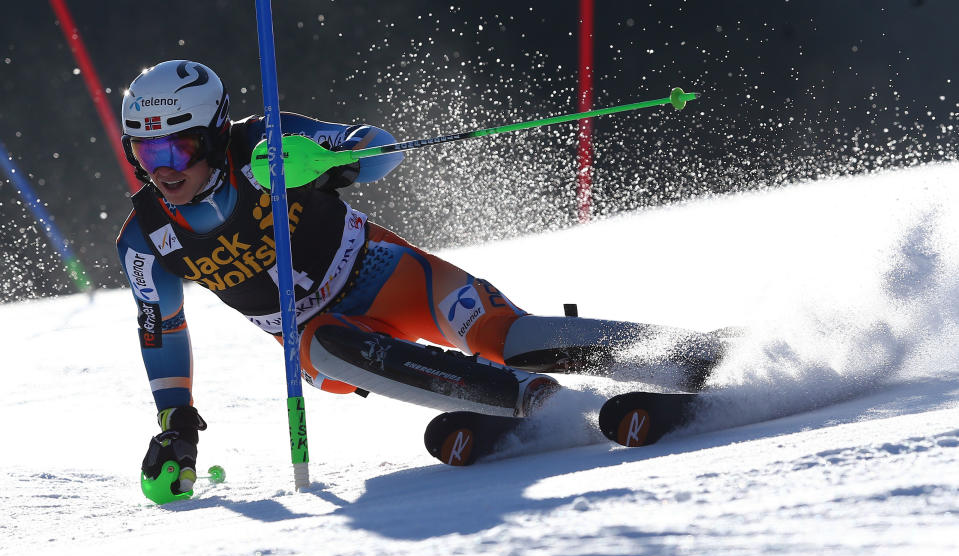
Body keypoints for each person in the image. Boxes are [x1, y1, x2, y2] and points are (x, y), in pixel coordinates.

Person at [118, 60, 723, 494]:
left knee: (507, 337)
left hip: (384, 271)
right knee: (331, 347)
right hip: (313, 333)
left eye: (175, 151)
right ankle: (539, 404)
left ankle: (699, 356)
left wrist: (331, 162)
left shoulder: (267, 143)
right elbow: (161, 325)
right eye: (143, 154)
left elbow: (380, 149)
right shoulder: (146, 238)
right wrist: (175, 421)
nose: (161, 170)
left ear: (215, 134)